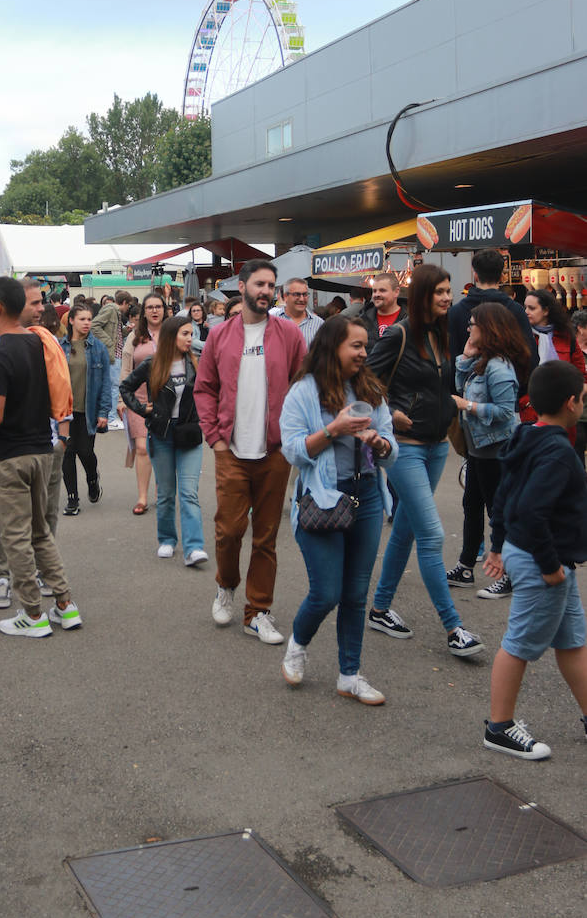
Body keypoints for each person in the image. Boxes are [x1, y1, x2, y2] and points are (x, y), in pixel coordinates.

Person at [366, 264, 485, 658]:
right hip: (405, 448)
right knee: (432, 535)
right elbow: (363, 381)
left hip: (436, 446)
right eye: (439, 292)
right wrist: (390, 410)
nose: (448, 298)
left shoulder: (442, 335)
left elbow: (443, 384)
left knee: (406, 529)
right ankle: (454, 628)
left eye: (449, 291)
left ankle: (380, 609)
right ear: (421, 296)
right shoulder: (399, 334)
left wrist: (464, 361)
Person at [281, 316, 398, 703]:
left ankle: (349, 674)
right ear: (333, 348)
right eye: (356, 346)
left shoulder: (370, 389)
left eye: (366, 346)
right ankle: (298, 643)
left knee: (356, 594)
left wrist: (379, 444)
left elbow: (391, 449)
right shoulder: (304, 392)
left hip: (365, 497)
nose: (364, 353)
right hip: (322, 499)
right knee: (327, 592)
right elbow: (293, 449)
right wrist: (335, 430)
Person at [0, 276, 81, 638]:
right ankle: (64, 604)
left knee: (15, 536)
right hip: (41, 448)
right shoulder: (39, 343)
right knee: (41, 532)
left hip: (9, 455)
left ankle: (32, 613)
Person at [193, 259, 305, 643]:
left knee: (266, 536)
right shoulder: (220, 336)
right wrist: (216, 439)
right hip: (232, 450)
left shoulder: (289, 335)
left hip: (275, 452)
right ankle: (226, 585)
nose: (265, 291)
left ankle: (258, 610)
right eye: (259, 283)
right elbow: (204, 388)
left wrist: (293, 435)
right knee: (229, 530)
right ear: (241, 287)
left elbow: (303, 385)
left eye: (271, 285)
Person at [481, 361, 587, 759]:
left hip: (540, 558)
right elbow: (531, 509)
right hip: (544, 563)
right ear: (570, 403)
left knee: (573, 641)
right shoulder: (559, 452)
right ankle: (499, 727)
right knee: (519, 644)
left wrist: (496, 545)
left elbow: (506, 494)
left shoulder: (528, 435)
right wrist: (549, 567)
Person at [448, 302, 530, 592]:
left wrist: (467, 406)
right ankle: (466, 565)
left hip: (496, 448)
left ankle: (509, 574)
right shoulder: (482, 360)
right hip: (479, 448)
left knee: (498, 511)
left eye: (473, 324)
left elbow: (506, 413)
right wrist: (465, 357)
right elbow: (460, 385)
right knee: (472, 505)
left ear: (489, 329)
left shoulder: (499, 366)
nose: (469, 329)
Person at [120, 314, 208, 565]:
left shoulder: (196, 362)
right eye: (186, 334)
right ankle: (167, 540)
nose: (191, 339)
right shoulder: (153, 363)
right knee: (167, 493)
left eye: (192, 334)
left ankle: (194, 548)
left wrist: (205, 417)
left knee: (189, 493)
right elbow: (126, 387)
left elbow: (211, 391)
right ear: (171, 336)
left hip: (189, 435)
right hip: (161, 436)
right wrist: (141, 408)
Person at [118, 292, 166, 514]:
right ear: (144, 312)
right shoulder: (134, 336)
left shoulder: (172, 333)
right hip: (139, 399)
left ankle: (163, 494)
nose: (155, 310)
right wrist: (122, 399)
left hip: (167, 399)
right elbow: (126, 369)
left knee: (163, 448)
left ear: (164, 310)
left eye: (158, 306)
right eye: (150, 307)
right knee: (142, 447)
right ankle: (142, 497)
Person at [60, 303, 109, 515]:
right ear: (71, 320)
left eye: (89, 319)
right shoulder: (60, 346)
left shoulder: (98, 348)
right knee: (67, 452)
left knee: (86, 452)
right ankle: (72, 499)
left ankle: (92, 478)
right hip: (64, 411)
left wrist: (103, 412)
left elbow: (106, 382)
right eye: (82, 319)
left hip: (87, 410)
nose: (87, 323)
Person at [448, 248, 536, 366]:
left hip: (465, 380)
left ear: (475, 276)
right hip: (509, 382)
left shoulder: (455, 312)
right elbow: (530, 356)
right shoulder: (516, 310)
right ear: (501, 276)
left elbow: (450, 356)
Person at [90, 289, 133, 428]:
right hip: (113, 353)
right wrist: (108, 342)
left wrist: (127, 330)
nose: (128, 308)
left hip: (114, 353)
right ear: (124, 302)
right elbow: (94, 326)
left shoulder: (114, 311)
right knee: (114, 386)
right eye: (129, 305)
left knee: (113, 385)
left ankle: (110, 416)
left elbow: (117, 333)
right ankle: (111, 417)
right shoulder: (111, 310)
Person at [270, 277, 323, 349]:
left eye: (305, 294)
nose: (301, 299)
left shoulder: (319, 324)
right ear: (285, 296)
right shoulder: (272, 322)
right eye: (297, 294)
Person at [360, 271, 407, 339]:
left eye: (382, 290)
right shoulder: (362, 320)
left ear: (396, 292)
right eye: (374, 291)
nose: (377, 294)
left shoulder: (411, 320)